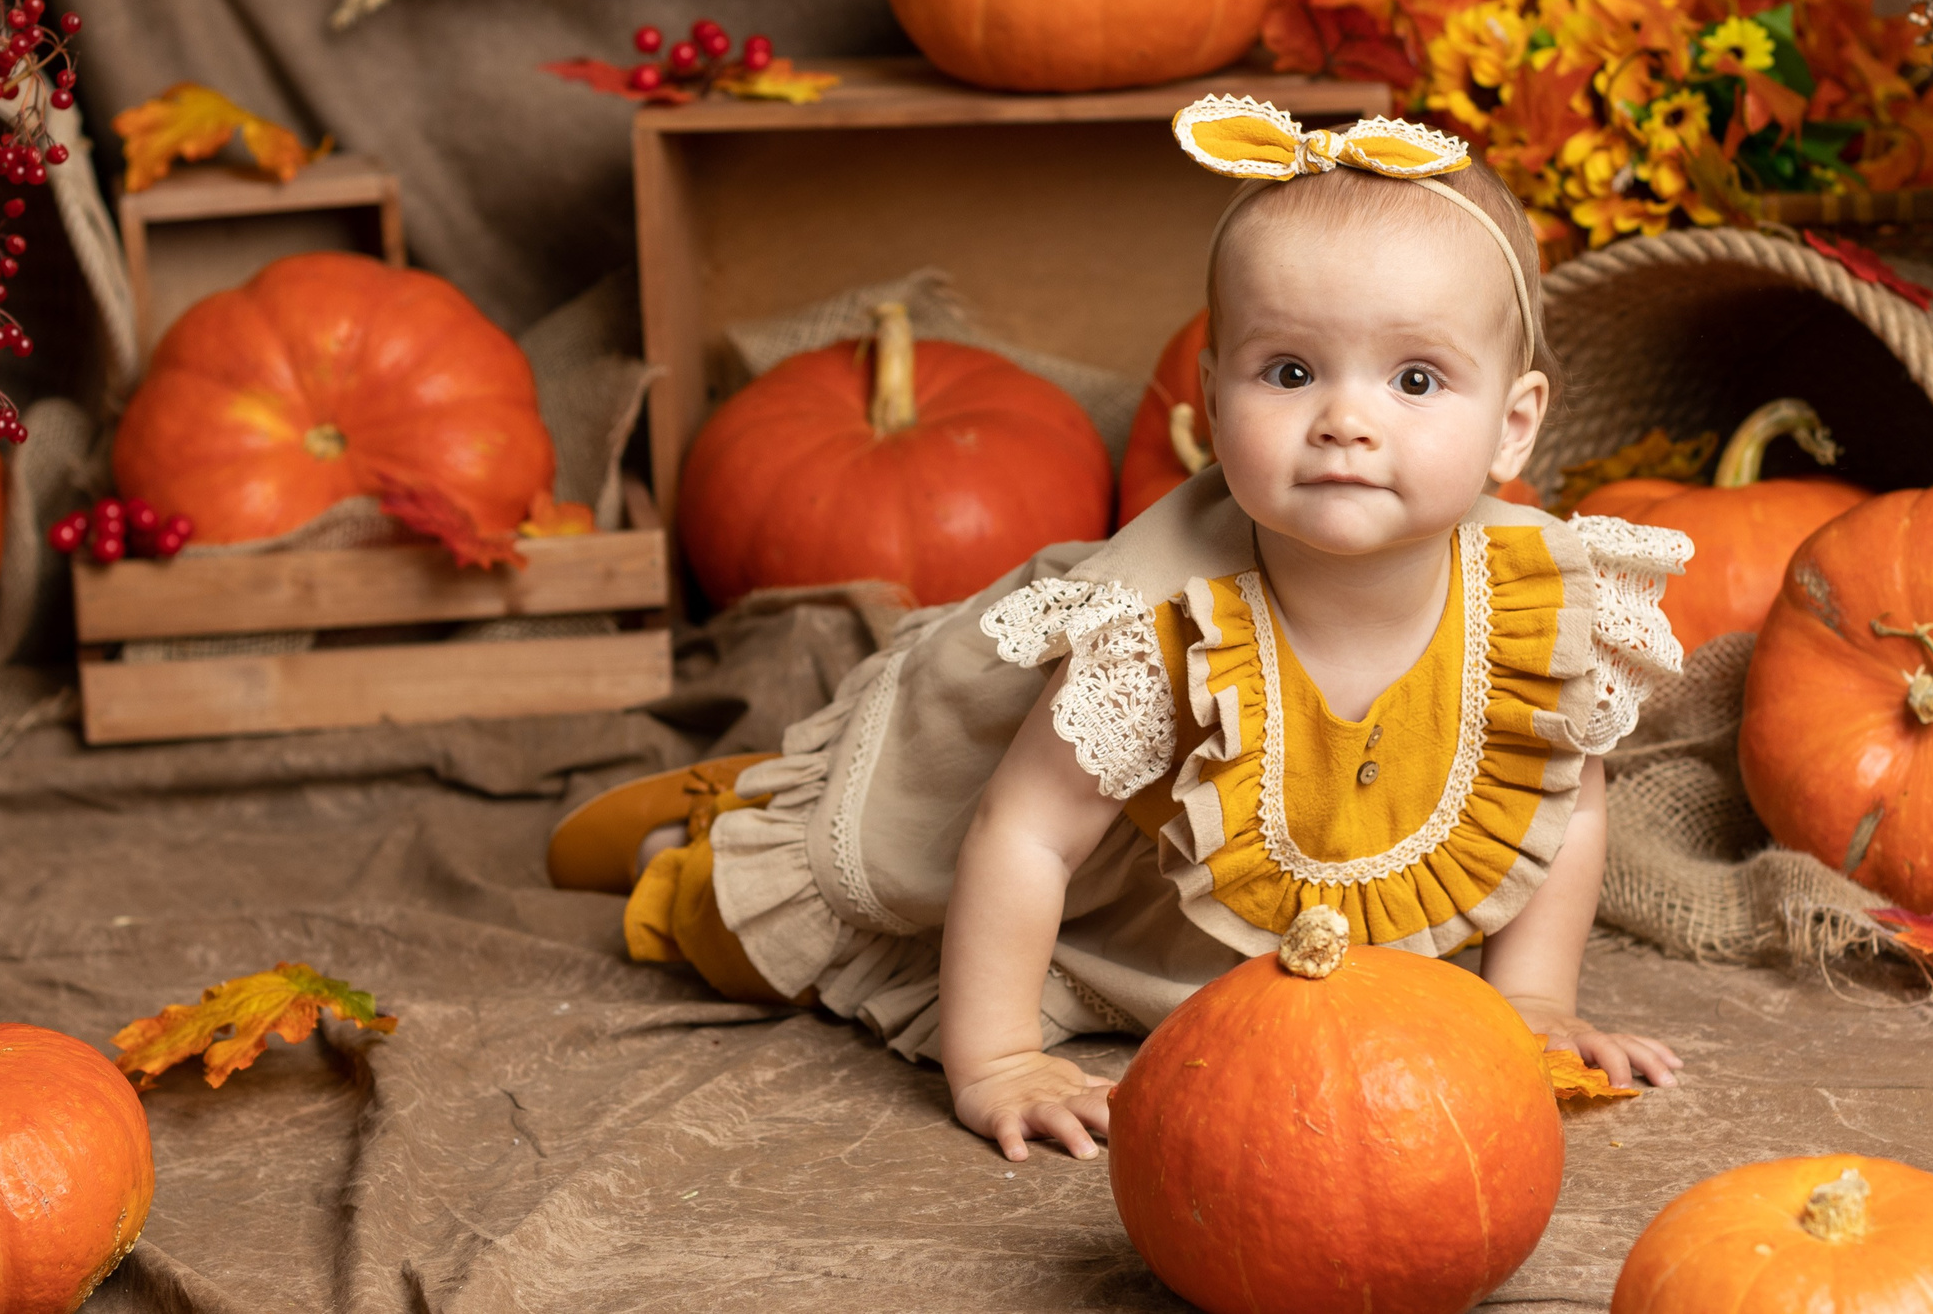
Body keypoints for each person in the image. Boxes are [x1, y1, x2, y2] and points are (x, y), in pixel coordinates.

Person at [548, 95, 1689, 1162]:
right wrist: (994, 1060)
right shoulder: (1159, 625)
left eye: (1415, 379)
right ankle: (696, 842)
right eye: (1287, 371)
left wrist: (1530, 1001)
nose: (1344, 419)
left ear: (1512, 425)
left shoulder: (1541, 603)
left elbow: (1562, 794)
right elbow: (1027, 835)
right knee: (794, 928)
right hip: (1063, 868)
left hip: (1240, 899)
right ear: (1207, 401)